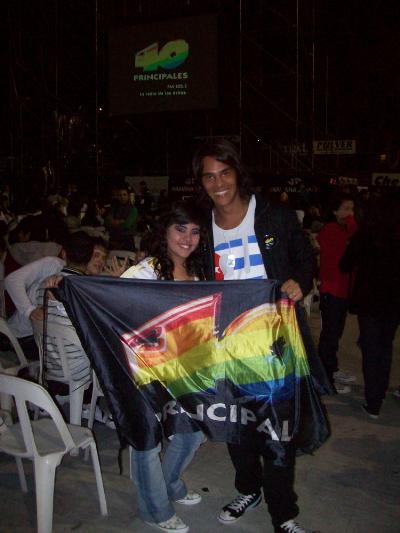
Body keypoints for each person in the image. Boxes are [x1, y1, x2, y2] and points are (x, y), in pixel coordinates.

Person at [192, 139, 325, 533]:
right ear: (201, 182)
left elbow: (305, 259)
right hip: (227, 345)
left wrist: (301, 281)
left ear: (237, 173)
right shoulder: (202, 226)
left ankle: (283, 513)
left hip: (277, 343)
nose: (218, 184)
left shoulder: (273, 215)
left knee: (278, 431)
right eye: (209, 176)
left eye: (225, 173)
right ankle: (248, 489)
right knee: (238, 423)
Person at [120, 202, 205, 533]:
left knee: (193, 431)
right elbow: (111, 303)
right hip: (144, 370)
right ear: (165, 232)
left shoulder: (197, 272)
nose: (187, 238)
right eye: (180, 229)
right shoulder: (144, 272)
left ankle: (169, 484)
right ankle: (153, 509)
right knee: (148, 440)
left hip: (186, 368)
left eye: (195, 231)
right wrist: (67, 282)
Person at [339, 194, 400, 418]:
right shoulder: (395, 236)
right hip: (393, 301)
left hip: (369, 300)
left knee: (371, 349)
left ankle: (373, 401)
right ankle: (380, 391)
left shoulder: (364, 236)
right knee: (385, 346)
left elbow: (345, 265)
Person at [317, 194, 358, 393]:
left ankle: (331, 370)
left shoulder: (342, 229)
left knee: (335, 334)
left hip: (342, 291)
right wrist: (351, 225)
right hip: (331, 290)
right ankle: (324, 377)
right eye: (346, 208)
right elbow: (344, 257)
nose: (350, 213)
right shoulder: (331, 230)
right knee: (329, 336)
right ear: (335, 211)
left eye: (352, 209)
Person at [105, 185, 138, 250]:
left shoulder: (133, 209)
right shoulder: (114, 208)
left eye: (124, 195)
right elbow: (106, 222)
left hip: (127, 241)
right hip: (113, 240)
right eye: (120, 195)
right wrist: (120, 221)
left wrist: (114, 222)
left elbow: (127, 225)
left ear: (128, 196)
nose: (122, 197)